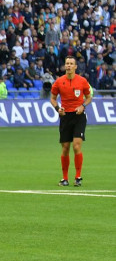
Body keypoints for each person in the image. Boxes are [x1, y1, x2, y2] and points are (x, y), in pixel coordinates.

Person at [50, 56, 91, 187]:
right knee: (66, 148)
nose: (68, 66)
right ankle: (65, 178)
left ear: (75, 67)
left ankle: (78, 177)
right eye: (67, 63)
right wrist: (58, 109)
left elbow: (89, 97)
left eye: (71, 64)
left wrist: (83, 106)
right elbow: (52, 99)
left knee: (76, 146)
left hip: (79, 116)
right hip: (65, 116)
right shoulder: (59, 82)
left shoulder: (82, 81)